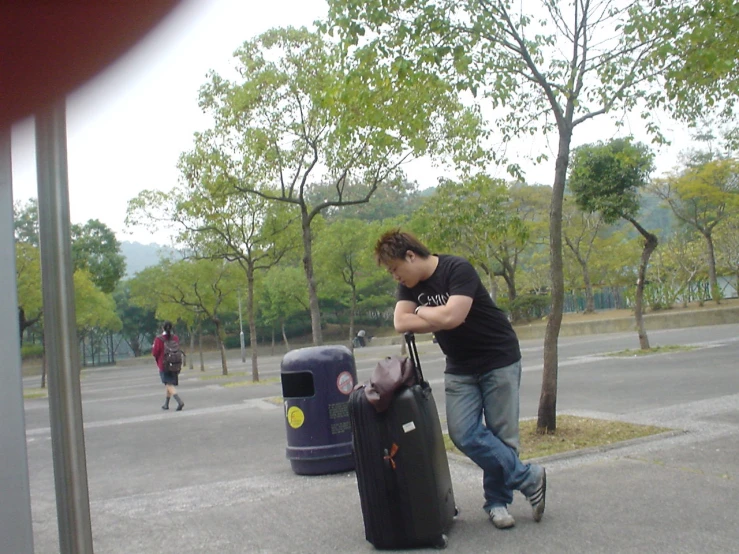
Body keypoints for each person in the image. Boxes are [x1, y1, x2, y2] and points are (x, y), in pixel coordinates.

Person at [374, 229, 546, 530]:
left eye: (395, 269)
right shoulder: (408, 285)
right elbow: (402, 322)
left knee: (501, 435)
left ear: (411, 256)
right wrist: (437, 313)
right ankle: (529, 477)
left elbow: (454, 318)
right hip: (460, 366)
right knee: (462, 433)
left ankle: (497, 502)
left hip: (499, 359)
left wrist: (423, 310)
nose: (395, 277)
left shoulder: (457, 269)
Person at [152, 321, 184, 411]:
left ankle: (179, 401)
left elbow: (155, 352)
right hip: (174, 364)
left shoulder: (159, 339)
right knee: (168, 383)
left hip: (164, 364)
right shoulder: (175, 338)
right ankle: (166, 404)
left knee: (168, 384)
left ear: (163, 328)